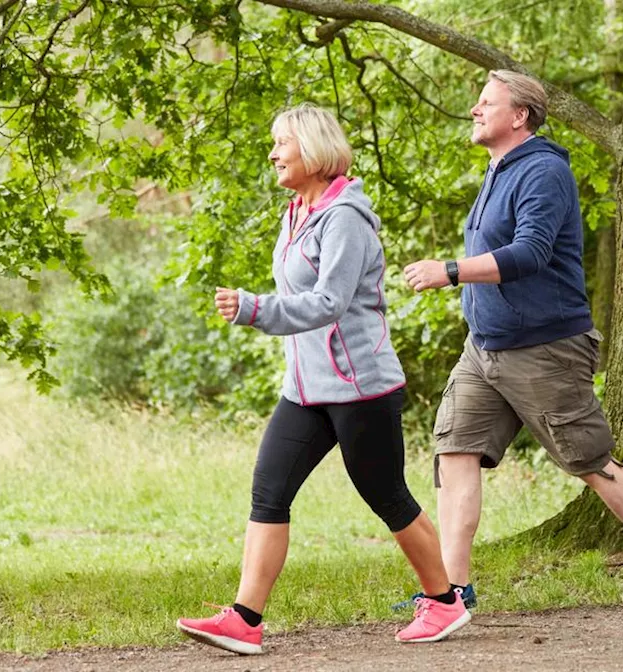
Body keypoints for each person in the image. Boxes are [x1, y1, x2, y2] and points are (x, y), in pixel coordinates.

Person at [176, 104, 470, 654]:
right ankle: (245, 618)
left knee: (386, 495)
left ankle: (445, 602)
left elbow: (330, 302)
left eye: (281, 143)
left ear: (312, 148)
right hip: (306, 389)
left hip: (361, 388)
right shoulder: (298, 212)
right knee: (269, 490)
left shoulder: (345, 219)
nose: (273, 153)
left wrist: (255, 309)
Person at [402, 70, 623, 606]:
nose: (474, 109)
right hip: (484, 347)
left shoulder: (542, 171)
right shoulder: (498, 169)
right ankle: (451, 591)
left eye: (486, 102)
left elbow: (531, 252)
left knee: (587, 458)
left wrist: (450, 270)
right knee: (455, 451)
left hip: (544, 348)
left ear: (520, 116)